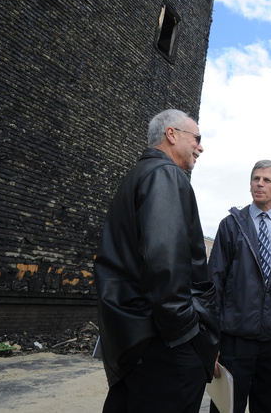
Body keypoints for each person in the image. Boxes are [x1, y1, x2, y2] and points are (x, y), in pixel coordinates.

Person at [94, 109, 219, 412]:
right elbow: (164, 264)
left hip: (136, 336)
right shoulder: (164, 174)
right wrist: (190, 335)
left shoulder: (138, 176)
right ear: (172, 134)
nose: (201, 147)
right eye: (197, 138)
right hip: (165, 342)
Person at [208, 160, 271, 413]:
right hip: (235, 336)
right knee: (226, 408)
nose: (259, 184)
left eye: (266, 180)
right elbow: (214, 281)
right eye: (255, 179)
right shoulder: (231, 225)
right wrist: (212, 338)